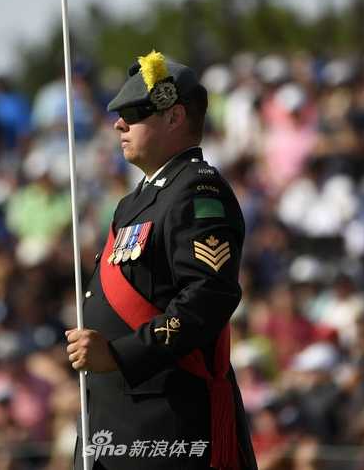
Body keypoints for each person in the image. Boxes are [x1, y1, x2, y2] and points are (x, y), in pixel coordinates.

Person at [65, 51, 257, 469]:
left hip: (166, 429)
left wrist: (121, 355)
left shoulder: (197, 191)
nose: (119, 123)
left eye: (134, 112)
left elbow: (209, 294)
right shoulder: (136, 201)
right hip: (117, 427)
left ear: (174, 117)